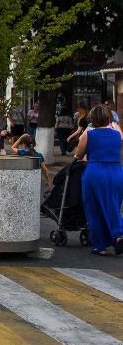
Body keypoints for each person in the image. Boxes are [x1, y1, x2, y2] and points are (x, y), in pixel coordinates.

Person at [73, 106, 123, 256]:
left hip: (95, 171)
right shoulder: (116, 134)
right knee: (112, 205)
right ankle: (117, 236)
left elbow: (79, 154)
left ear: (92, 119)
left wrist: (76, 159)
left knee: (94, 208)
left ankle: (100, 245)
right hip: (116, 172)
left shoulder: (88, 134)